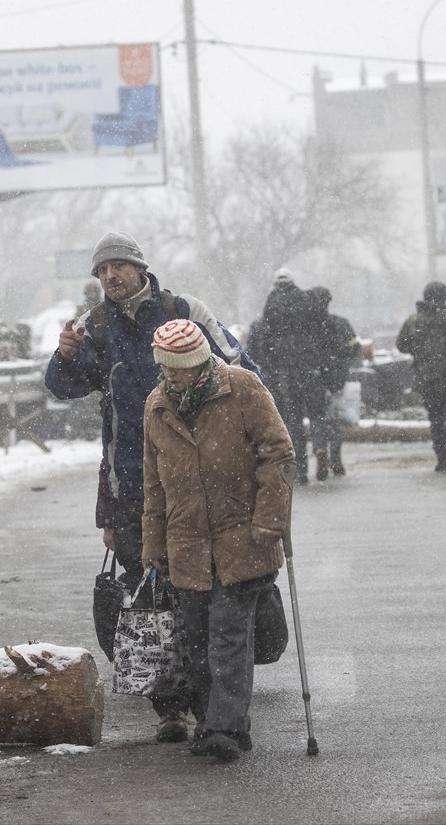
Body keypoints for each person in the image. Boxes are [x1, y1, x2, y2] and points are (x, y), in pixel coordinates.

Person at [45, 230, 256, 743]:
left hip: (199, 480)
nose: (110, 276)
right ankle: (170, 708)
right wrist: (67, 356)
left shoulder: (184, 310)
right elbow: (64, 387)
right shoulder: (96, 326)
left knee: (201, 596)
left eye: (117, 266)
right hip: (133, 487)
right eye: (101, 270)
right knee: (151, 597)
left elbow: (243, 369)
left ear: (140, 267)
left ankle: (213, 712)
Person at [140, 319, 295, 763]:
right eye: (165, 369)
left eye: (180, 369)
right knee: (196, 641)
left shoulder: (241, 388)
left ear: (200, 362)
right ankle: (220, 721)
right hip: (186, 543)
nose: (172, 377)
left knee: (227, 636)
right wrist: (152, 546)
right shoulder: (156, 406)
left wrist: (270, 519)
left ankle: (222, 726)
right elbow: (154, 486)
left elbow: (278, 454)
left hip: (241, 536)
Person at [247, 268, 326, 484]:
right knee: (317, 412)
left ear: (276, 284)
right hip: (309, 367)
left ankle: (300, 470)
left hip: (286, 370)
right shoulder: (306, 299)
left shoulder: (272, 303)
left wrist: (270, 363)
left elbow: (266, 337)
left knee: (294, 418)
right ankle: (319, 446)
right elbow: (318, 329)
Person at [395, 281, 446, 473]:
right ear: (445, 297)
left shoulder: (414, 321)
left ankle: (442, 459)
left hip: (428, 378)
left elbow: (401, 345)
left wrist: (421, 349)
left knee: (436, 419)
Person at [305, 286, 362, 477]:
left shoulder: (305, 328)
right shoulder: (341, 323)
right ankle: (336, 460)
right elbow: (355, 347)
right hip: (336, 378)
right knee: (335, 418)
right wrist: (341, 357)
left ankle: (320, 448)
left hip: (314, 378)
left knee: (317, 417)